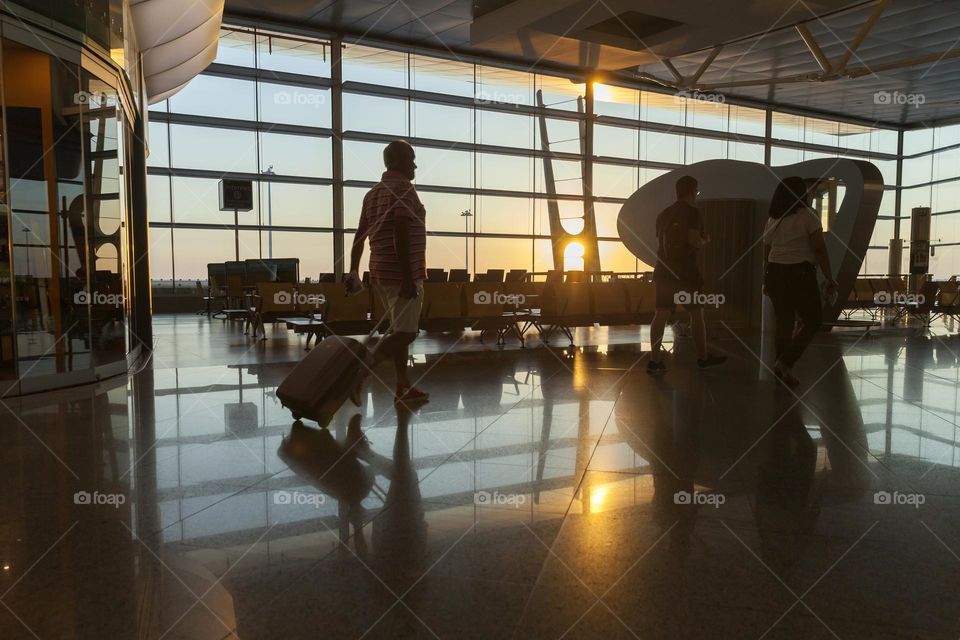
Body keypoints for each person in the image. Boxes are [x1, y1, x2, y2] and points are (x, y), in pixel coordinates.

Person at [346, 140, 429, 403]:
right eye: (411, 159)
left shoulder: (372, 194)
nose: (415, 165)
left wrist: (353, 271)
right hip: (400, 275)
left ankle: (402, 385)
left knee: (398, 332)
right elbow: (399, 232)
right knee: (407, 333)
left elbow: (360, 236)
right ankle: (359, 373)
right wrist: (408, 278)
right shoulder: (403, 189)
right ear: (398, 161)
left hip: (380, 274)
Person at [647, 175, 727, 374]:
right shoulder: (692, 212)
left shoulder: (663, 214)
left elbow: (661, 243)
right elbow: (693, 240)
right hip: (687, 273)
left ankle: (654, 360)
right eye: (696, 191)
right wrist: (705, 240)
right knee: (696, 313)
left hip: (664, 271)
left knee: (661, 314)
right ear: (692, 191)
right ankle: (702, 357)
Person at [763, 176, 837, 386]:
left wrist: (765, 275)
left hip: (775, 273)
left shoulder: (773, 219)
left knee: (784, 321)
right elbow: (819, 248)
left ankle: (782, 371)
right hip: (799, 273)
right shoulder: (808, 215)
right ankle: (785, 362)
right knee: (813, 321)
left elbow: (766, 249)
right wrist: (829, 276)